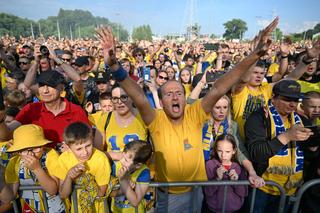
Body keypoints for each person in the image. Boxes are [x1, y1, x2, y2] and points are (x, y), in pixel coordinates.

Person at [96, 17, 279, 212]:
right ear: (161, 100)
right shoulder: (156, 119)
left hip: (197, 191)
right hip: (168, 196)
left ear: (185, 97)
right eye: (168, 93)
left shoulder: (195, 112)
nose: (175, 96)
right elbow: (138, 96)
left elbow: (219, 88)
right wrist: (115, 66)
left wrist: (255, 54)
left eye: (179, 93)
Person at [245, 80, 313, 212]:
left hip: (291, 189)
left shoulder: (301, 120)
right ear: (273, 97)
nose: (293, 104)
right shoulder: (258, 117)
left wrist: (312, 147)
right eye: (287, 99)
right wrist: (286, 136)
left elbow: (308, 155)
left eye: (296, 100)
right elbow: (256, 153)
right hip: (263, 188)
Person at [0, 70, 90, 149]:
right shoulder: (31, 109)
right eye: (42, 86)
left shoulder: (76, 111)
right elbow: (6, 135)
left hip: (68, 163)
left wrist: (71, 149)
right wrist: (0, 120)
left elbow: (88, 141)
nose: (45, 91)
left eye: (50, 86)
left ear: (62, 88)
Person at [4, 124, 66, 212]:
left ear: (43, 145)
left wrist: (37, 168)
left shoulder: (50, 155)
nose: (31, 154)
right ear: (18, 151)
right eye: (24, 150)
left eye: (35, 148)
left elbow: (52, 190)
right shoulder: (14, 163)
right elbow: (10, 196)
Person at [56, 121, 111, 213]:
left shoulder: (100, 158)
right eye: (79, 149)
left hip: (97, 209)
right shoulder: (64, 159)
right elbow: (63, 194)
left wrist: (86, 179)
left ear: (92, 139)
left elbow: (101, 192)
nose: (85, 152)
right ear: (68, 147)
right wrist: (69, 176)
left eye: (88, 146)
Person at [204, 134, 248, 213]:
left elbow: (244, 193)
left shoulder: (239, 167)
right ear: (215, 150)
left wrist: (236, 182)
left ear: (234, 151)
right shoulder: (210, 165)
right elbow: (207, 192)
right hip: (214, 209)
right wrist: (217, 179)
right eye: (220, 151)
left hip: (235, 209)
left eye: (227, 152)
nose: (223, 155)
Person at [111, 140, 152, 213]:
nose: (121, 161)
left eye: (126, 160)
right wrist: (125, 188)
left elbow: (135, 202)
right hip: (115, 211)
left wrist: (123, 181)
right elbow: (109, 193)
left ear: (138, 165)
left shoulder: (144, 172)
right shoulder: (115, 166)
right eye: (123, 156)